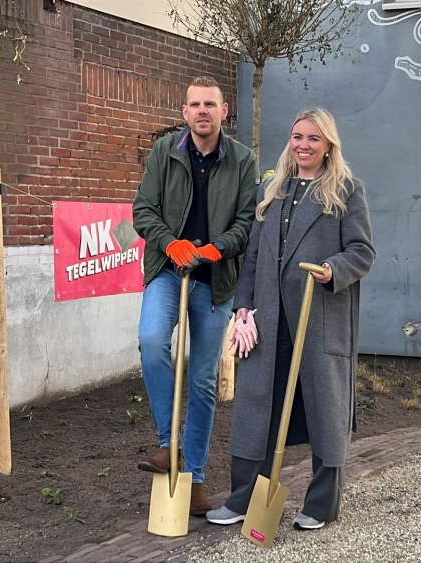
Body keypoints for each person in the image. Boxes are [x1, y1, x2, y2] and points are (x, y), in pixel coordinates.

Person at [206, 108, 375, 530]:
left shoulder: (346, 191)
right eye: (297, 137)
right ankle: (244, 499)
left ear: (328, 145)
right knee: (256, 405)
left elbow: (362, 252)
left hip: (317, 319)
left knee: (325, 408)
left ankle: (321, 505)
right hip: (269, 316)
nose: (303, 145)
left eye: (313, 139)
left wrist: (332, 269)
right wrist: (243, 305)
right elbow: (255, 257)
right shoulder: (273, 188)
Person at [132, 76, 260, 516]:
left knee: (203, 380)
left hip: (216, 279)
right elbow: (142, 209)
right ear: (184, 113)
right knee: (151, 342)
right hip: (168, 270)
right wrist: (170, 242)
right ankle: (172, 447)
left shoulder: (243, 160)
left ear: (224, 112)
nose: (202, 111)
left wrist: (215, 248)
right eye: (194, 104)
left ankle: (197, 480)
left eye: (211, 104)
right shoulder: (164, 152)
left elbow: (246, 223)